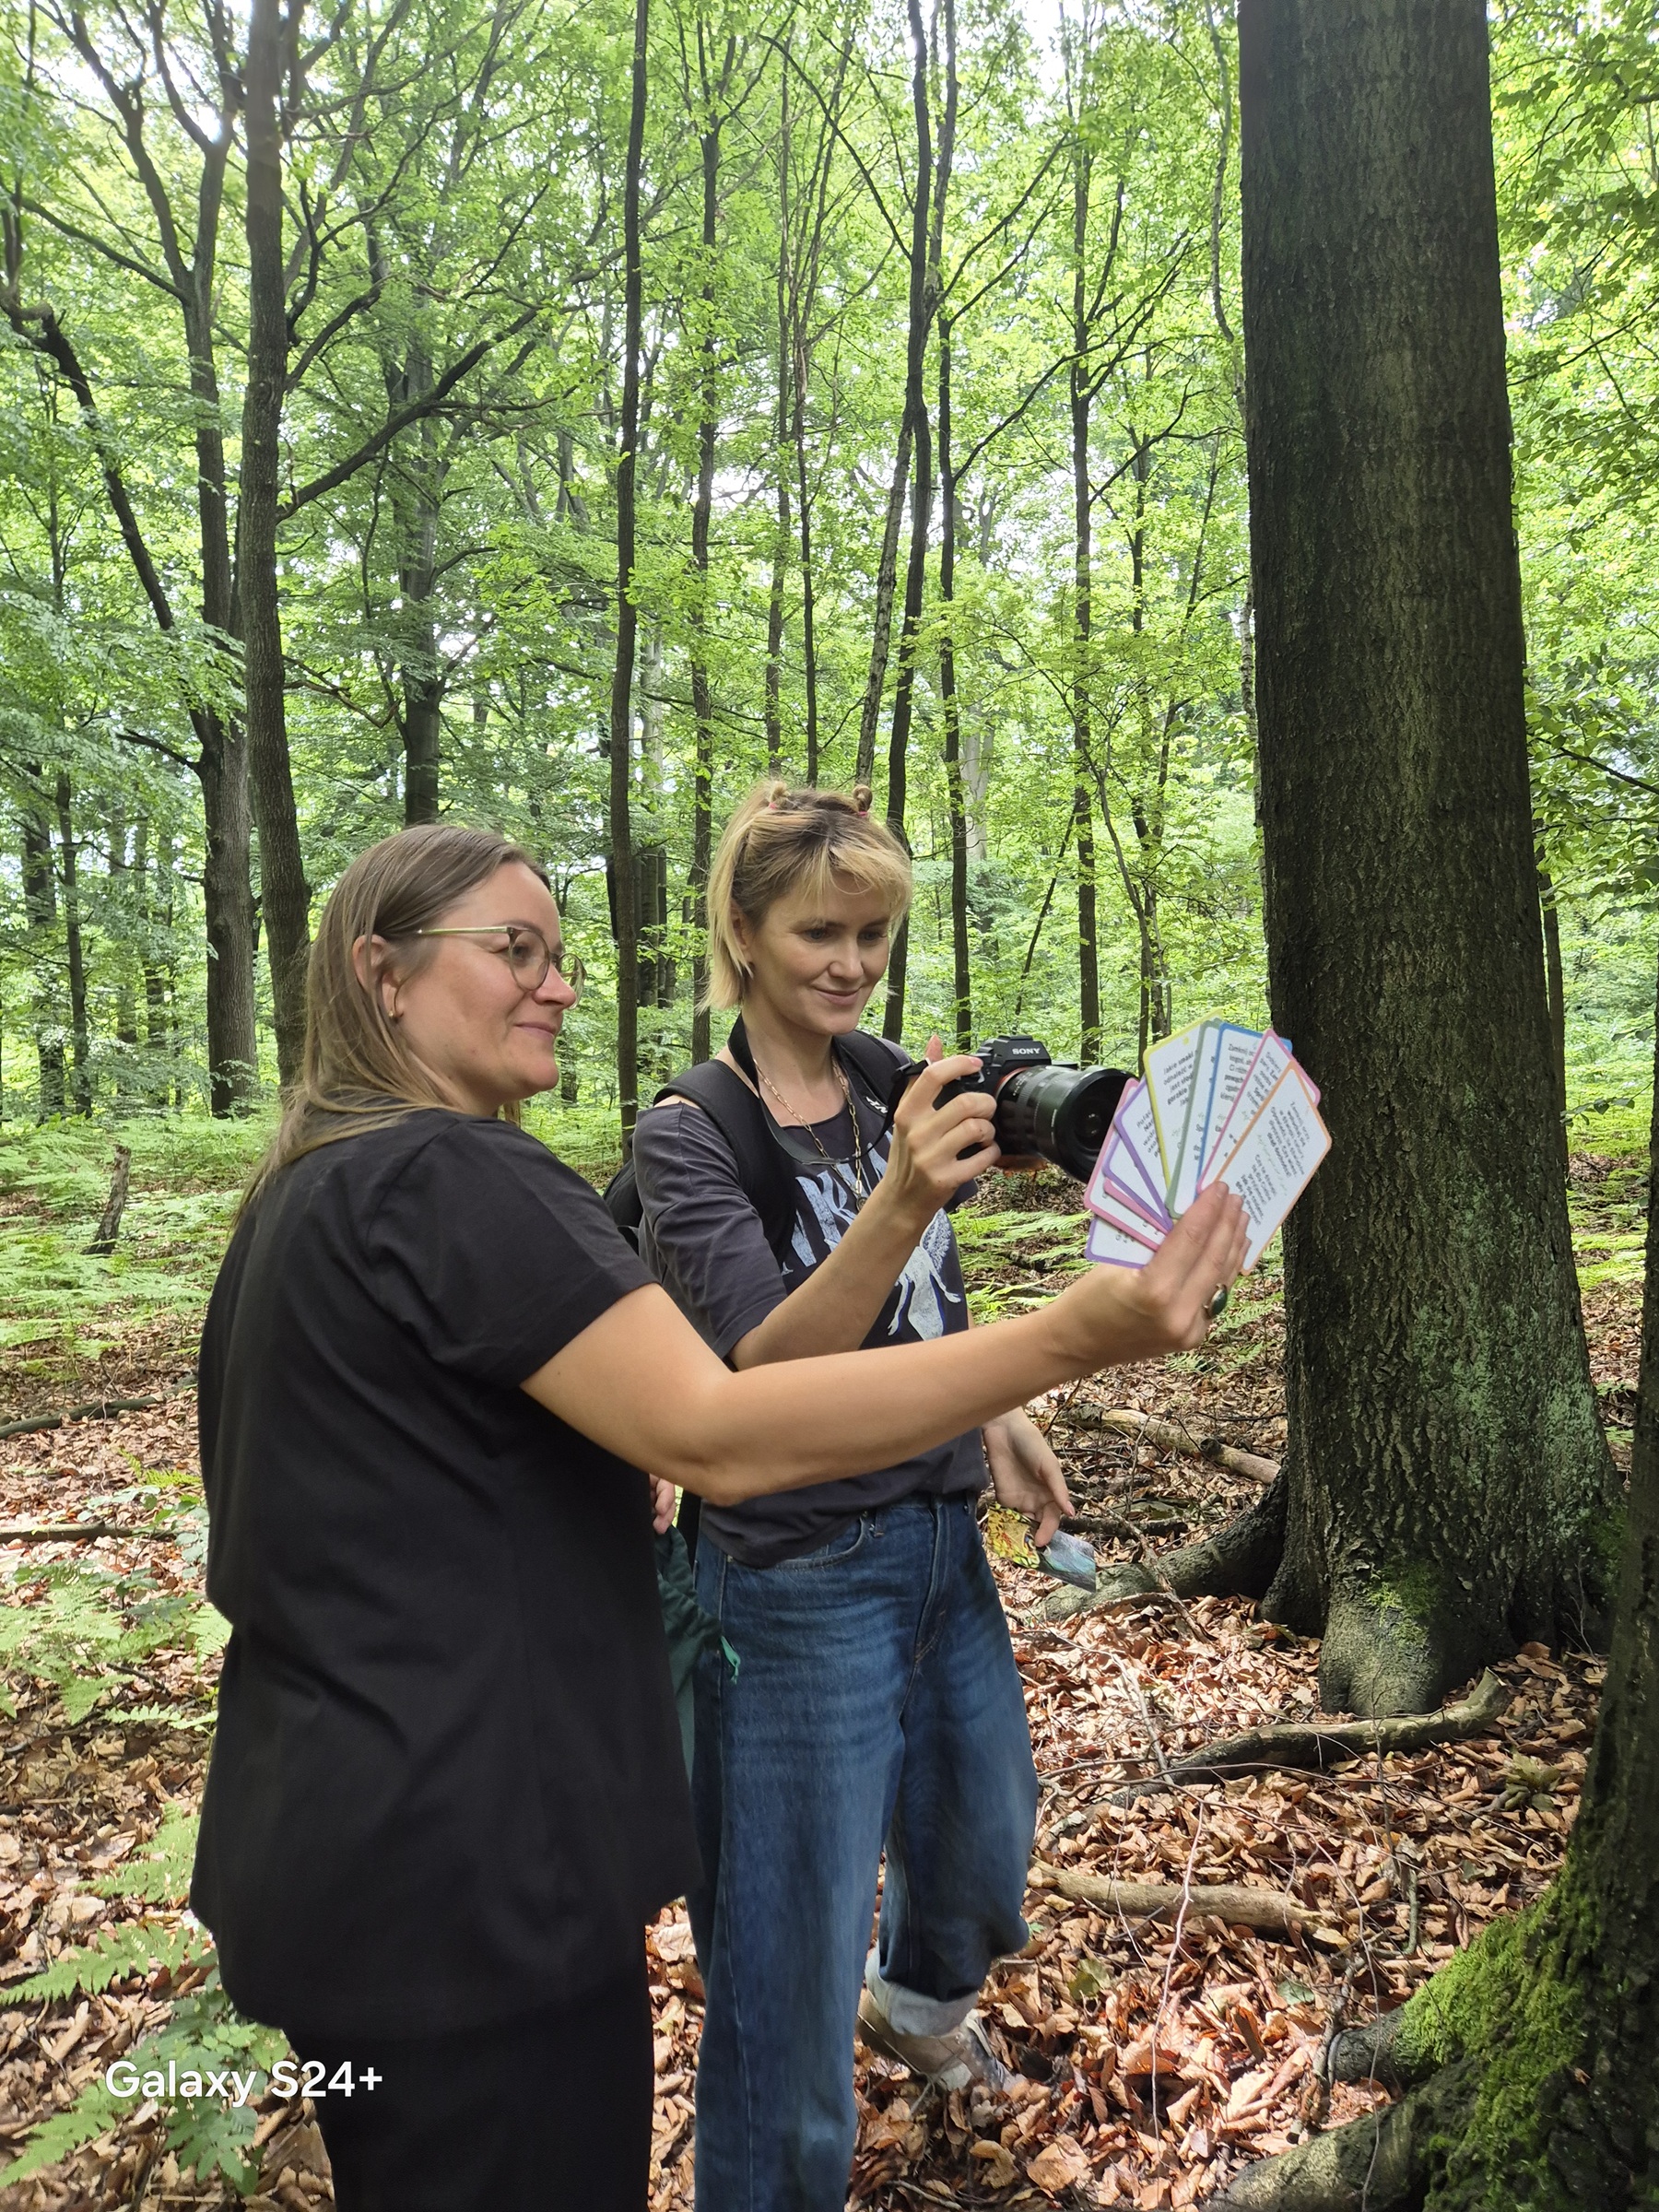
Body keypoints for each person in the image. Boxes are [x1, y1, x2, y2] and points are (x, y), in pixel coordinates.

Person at [191, 822, 1244, 2212]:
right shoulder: (459, 1179)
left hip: (338, 1866)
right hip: (476, 1887)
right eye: (515, 951)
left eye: (560, 956)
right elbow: (722, 1431)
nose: (559, 983)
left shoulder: (303, 1195)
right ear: (382, 974)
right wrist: (1076, 1336)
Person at [627, 783, 1140, 2211]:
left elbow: (930, 1306)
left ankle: (918, 2009)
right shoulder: (690, 1133)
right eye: (818, 933)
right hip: (791, 1586)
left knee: (983, 1849)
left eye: (873, 934)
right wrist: (901, 1199)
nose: (850, 964)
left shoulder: (885, 1077)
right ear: (740, 932)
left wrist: (1003, 1415)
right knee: (784, 1977)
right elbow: (760, 1371)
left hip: (936, 1543)